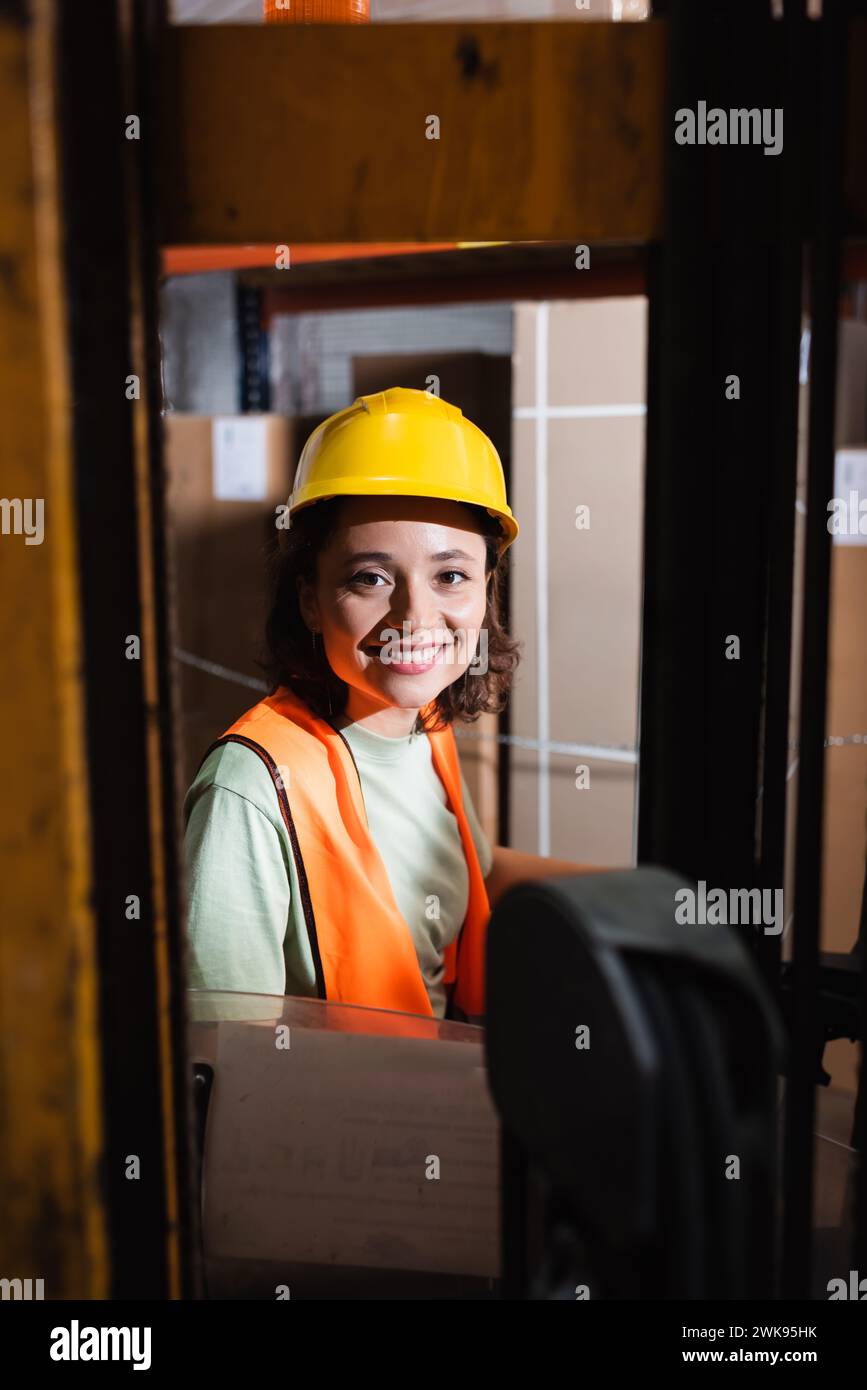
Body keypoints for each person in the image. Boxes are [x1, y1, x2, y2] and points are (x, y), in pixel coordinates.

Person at [183, 386, 596, 1025]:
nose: (415, 615)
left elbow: (477, 872)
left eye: (450, 576)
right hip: (338, 1119)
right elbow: (226, 1058)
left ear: (486, 591)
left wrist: (648, 892)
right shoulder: (249, 790)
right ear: (311, 601)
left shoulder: (422, 733)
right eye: (370, 578)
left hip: (435, 1094)